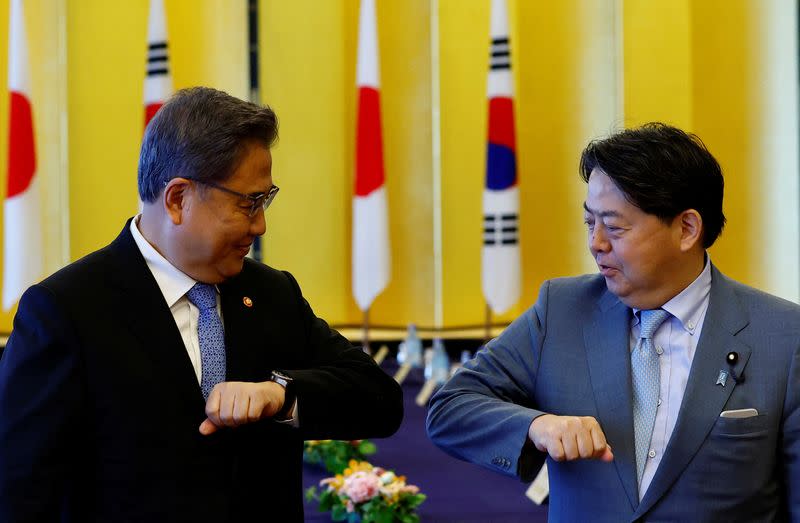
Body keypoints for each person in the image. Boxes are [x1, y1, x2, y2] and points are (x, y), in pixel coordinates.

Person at [0, 86, 403, 522]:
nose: (261, 225)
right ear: (177, 199)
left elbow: (381, 400)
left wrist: (280, 395)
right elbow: (21, 491)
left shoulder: (272, 294)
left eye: (265, 200)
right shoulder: (67, 310)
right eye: (248, 203)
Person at [427, 123, 800, 521]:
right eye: (591, 223)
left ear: (687, 229)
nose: (596, 243)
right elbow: (450, 408)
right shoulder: (562, 310)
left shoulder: (783, 336)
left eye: (615, 226)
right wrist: (538, 425)